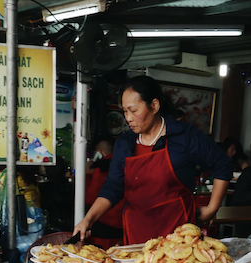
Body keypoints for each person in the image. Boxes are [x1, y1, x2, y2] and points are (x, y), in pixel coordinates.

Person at [73, 76, 233, 244]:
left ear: (154, 106)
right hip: (137, 230)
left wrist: (212, 208)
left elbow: (223, 164)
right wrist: (88, 219)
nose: (128, 118)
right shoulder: (125, 143)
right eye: (125, 111)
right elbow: (113, 186)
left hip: (178, 232)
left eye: (133, 111)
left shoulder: (185, 136)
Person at [84, 137, 123, 247]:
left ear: (99, 152)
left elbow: (89, 198)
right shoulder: (124, 163)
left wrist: (87, 175)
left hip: (104, 224)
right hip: (123, 225)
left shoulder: (100, 167)